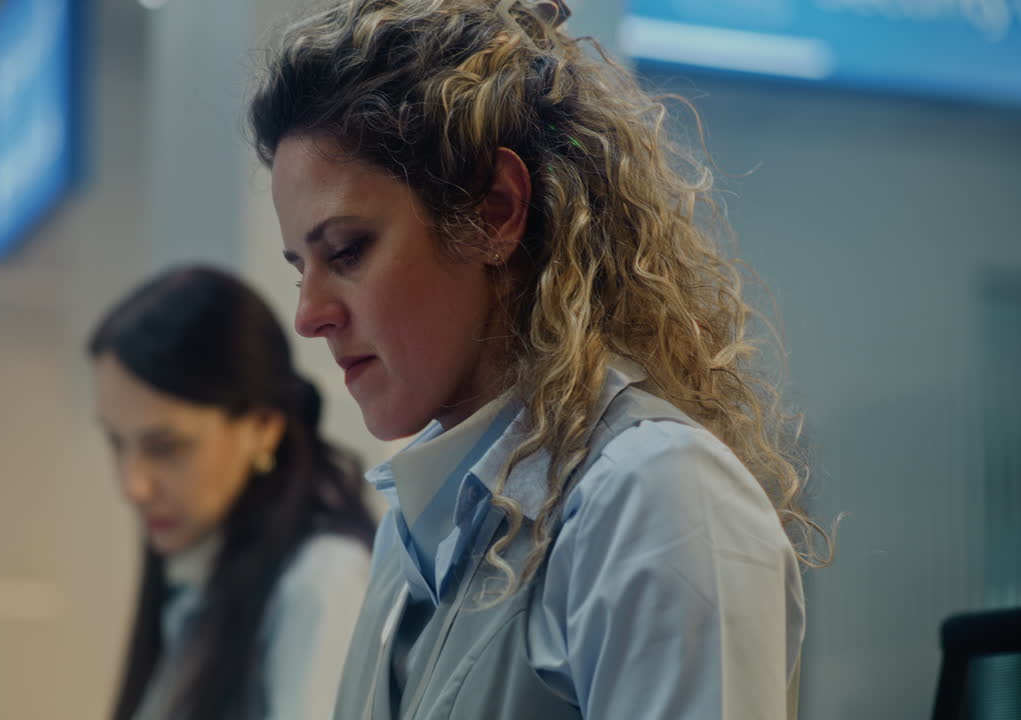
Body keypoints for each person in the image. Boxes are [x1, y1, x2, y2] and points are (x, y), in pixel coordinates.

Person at [249, 1, 831, 718]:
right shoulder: (409, 544)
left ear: (496, 211)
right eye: (297, 268)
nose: (310, 315)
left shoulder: (658, 498)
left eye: (347, 251)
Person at [88, 265, 376, 720]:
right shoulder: (200, 582)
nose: (133, 486)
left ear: (262, 427)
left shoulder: (321, 583)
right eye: (116, 442)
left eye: (165, 447)